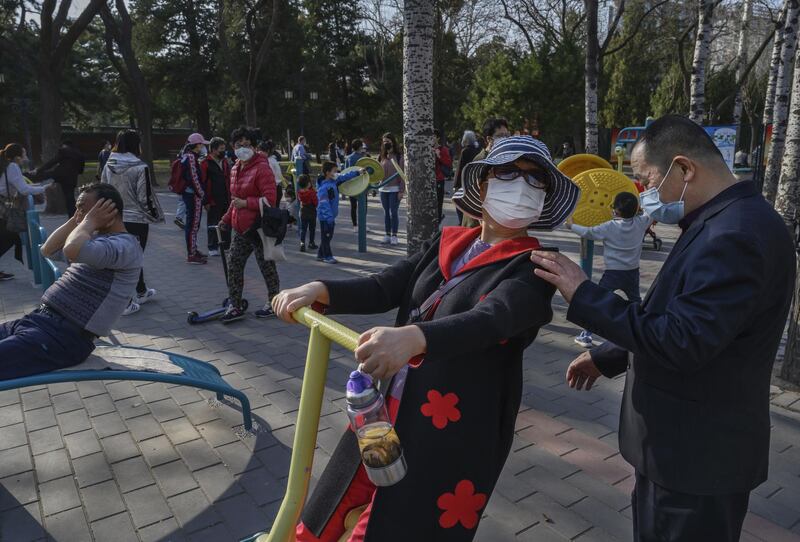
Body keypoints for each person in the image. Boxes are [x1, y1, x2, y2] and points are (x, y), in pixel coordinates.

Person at [274, 135, 580, 542]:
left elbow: (492, 319)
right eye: (508, 173)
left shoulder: (534, 268)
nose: (522, 186)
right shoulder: (449, 242)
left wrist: (414, 338)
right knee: (334, 508)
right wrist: (321, 289)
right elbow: (388, 285)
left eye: (536, 179)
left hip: (446, 432)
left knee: (395, 525)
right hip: (383, 412)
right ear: (484, 184)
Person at [530, 115, 795, 542]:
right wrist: (607, 356)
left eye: (646, 180)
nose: (644, 194)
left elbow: (682, 341)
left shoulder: (736, 235)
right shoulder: (721, 221)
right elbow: (685, 318)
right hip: (680, 454)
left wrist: (584, 295)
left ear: (684, 168)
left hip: (695, 460)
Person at [0, 183, 142, 380]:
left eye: (84, 208)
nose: (79, 214)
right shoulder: (92, 238)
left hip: (62, 337)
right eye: (78, 208)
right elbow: (47, 250)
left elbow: (71, 250)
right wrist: (78, 219)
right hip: (38, 321)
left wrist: (88, 221)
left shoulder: (123, 246)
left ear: (108, 210)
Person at [564, 191, 652, 348]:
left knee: (598, 303)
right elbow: (651, 213)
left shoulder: (609, 227)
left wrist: (571, 226)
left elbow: (588, 232)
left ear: (616, 211)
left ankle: (586, 336)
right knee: (636, 302)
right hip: (632, 272)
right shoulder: (641, 223)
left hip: (612, 273)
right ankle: (644, 330)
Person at [219, 127, 281, 323]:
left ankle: (274, 302)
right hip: (240, 228)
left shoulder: (262, 167)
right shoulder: (236, 167)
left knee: (267, 267)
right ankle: (235, 305)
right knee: (234, 264)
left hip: (259, 227)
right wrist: (226, 219)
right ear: (232, 147)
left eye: (247, 145)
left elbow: (270, 200)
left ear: (254, 147)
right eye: (239, 145)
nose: (243, 149)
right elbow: (235, 200)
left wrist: (247, 203)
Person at [101, 130, 165, 316]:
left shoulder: (108, 164)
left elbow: (103, 190)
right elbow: (145, 198)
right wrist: (155, 216)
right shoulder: (140, 167)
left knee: (127, 258)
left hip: (113, 217)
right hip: (136, 219)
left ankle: (141, 291)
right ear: (135, 144)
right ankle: (126, 302)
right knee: (131, 261)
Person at [0, 144, 48, 280]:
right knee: (10, 236)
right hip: (2, 206)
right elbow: (23, 190)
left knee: (8, 236)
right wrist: (44, 188)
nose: (25, 157)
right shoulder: (12, 166)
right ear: (17, 157)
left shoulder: (5, 164)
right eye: (24, 154)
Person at [459, 119, 510, 228]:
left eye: (507, 135)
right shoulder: (482, 160)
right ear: (489, 139)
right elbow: (477, 197)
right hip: (478, 223)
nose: (505, 138)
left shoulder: (499, 158)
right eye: (500, 135)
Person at [315, 161, 365, 264]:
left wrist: (358, 172)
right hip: (326, 218)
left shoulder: (334, 181)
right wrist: (329, 218)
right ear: (328, 173)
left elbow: (344, 177)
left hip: (330, 216)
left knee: (326, 237)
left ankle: (320, 255)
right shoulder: (324, 188)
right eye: (334, 171)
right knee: (327, 237)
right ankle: (327, 256)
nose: (337, 173)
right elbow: (324, 205)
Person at [180, 133, 210, 264]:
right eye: (202, 144)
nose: (203, 147)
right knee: (193, 225)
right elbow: (194, 179)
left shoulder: (186, 156)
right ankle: (192, 254)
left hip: (190, 194)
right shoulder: (191, 158)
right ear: (197, 145)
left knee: (192, 224)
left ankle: (193, 249)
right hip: (193, 195)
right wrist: (202, 194)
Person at [37, 140, 85, 217]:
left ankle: (72, 215)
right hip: (72, 178)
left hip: (61, 176)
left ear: (64, 145)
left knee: (67, 197)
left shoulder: (63, 151)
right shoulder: (79, 155)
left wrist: (39, 170)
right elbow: (81, 170)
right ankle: (73, 215)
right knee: (70, 197)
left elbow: (52, 162)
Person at [200, 137, 230, 257]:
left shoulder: (224, 162)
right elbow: (202, 183)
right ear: (213, 150)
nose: (223, 151)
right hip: (212, 199)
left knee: (227, 222)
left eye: (224, 149)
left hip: (226, 197)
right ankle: (213, 246)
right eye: (221, 149)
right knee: (213, 222)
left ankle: (227, 245)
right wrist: (205, 201)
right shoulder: (205, 163)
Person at [378, 132, 404, 246]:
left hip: (395, 189)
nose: (386, 143)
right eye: (384, 142)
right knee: (386, 213)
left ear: (393, 142)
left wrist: (401, 191)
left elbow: (403, 174)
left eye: (388, 141)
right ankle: (387, 234)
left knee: (393, 212)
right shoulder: (381, 156)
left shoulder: (399, 157)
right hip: (383, 189)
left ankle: (394, 235)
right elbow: (378, 173)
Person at [454, 130, 481, 225]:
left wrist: (455, 185)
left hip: (463, 182)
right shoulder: (478, 151)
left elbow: (460, 168)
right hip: (474, 182)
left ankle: (461, 223)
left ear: (465, 140)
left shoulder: (465, 151)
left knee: (460, 205)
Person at [345, 139, 367, 231]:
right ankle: (362, 224)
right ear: (360, 147)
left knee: (353, 206)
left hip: (351, 184)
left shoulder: (349, 157)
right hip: (362, 183)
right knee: (363, 205)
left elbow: (346, 171)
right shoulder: (363, 157)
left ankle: (355, 226)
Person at [434, 129, 453, 224]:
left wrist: (439, 156)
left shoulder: (443, 150)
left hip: (439, 180)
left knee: (438, 203)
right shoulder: (425, 150)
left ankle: (437, 222)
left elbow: (448, 164)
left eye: (433, 136)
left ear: (437, 138)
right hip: (427, 181)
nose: (430, 139)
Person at [297, 174, 318, 252]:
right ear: (308, 183)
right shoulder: (312, 193)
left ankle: (302, 243)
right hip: (312, 213)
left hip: (303, 212)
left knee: (303, 229)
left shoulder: (299, 193)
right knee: (312, 229)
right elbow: (316, 203)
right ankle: (311, 243)